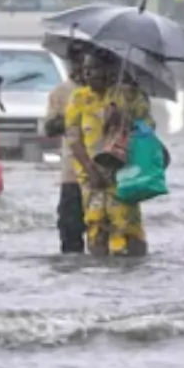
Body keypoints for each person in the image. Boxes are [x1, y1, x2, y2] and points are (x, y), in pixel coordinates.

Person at [64, 51, 153, 257]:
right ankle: (101, 272)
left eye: (93, 68)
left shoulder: (130, 97)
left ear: (110, 71)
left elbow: (147, 131)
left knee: (127, 225)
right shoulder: (79, 98)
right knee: (96, 225)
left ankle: (132, 266)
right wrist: (90, 170)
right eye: (85, 69)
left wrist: (123, 119)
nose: (87, 73)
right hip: (91, 176)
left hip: (124, 173)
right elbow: (73, 138)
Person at [44, 42, 87, 254]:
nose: (80, 66)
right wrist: (71, 117)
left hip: (107, 174)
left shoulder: (109, 92)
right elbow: (49, 128)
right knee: (70, 232)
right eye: (75, 61)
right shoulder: (61, 92)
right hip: (73, 174)